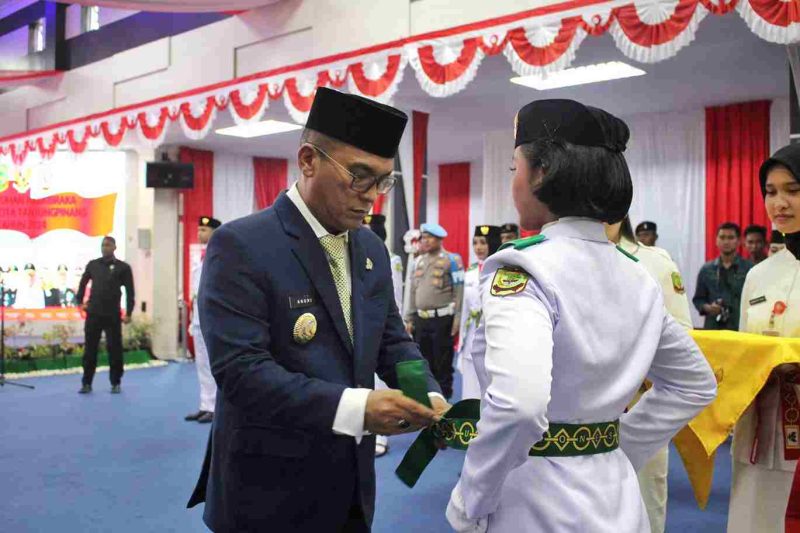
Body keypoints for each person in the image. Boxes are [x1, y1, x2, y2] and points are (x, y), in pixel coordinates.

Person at [445, 99, 716, 532]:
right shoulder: (637, 276)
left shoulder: (524, 269)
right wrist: (616, 446)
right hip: (617, 495)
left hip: (533, 501)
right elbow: (694, 384)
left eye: (514, 167)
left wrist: (471, 497)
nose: (512, 181)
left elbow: (518, 406)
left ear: (542, 172)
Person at [187, 87, 448, 533]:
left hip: (349, 484)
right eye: (359, 175)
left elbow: (390, 340)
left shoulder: (369, 247)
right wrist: (358, 408)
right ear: (308, 160)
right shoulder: (243, 245)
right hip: (268, 489)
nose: (372, 197)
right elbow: (241, 372)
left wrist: (427, 394)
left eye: (384, 181)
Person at [728, 144, 800, 532]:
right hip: (761, 428)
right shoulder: (760, 274)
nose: (780, 202)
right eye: (771, 192)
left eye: (793, 189)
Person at [606, 215, 693, 533]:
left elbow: (683, 339)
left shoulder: (654, 262)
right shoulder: (560, 259)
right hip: (574, 417)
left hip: (640, 408)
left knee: (645, 502)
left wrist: (633, 373)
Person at [404, 222, 464, 399]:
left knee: (442, 362)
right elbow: (413, 291)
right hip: (421, 320)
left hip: (442, 319)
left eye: (430, 237)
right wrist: (409, 317)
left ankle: (444, 399)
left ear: (439, 239)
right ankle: (427, 398)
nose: (426, 241)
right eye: (424, 237)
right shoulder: (418, 262)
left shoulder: (452, 260)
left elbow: (459, 291)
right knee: (423, 361)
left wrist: (457, 318)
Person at [363, 213, 402, 458]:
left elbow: (393, 292)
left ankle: (380, 434)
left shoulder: (388, 257)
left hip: (379, 326)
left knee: (379, 384)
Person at [75, 236, 134, 394]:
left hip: (113, 315)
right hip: (93, 314)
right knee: (90, 349)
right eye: (103, 245)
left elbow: (130, 291)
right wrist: (79, 301)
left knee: (114, 349)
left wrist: (129, 312)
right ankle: (86, 382)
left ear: (115, 247)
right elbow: (83, 282)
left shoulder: (123, 268)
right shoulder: (93, 265)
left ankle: (116, 382)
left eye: (108, 245)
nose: (105, 248)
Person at [458, 225, 502, 400]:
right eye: (475, 243)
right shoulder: (470, 272)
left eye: (483, 242)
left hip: (492, 332)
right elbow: (465, 311)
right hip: (471, 333)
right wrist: (460, 340)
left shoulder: (502, 269)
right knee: (470, 373)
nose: (478, 247)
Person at [185, 216, 222, 425]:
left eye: (204, 230)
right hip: (199, 319)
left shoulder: (221, 254)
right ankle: (205, 405)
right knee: (202, 365)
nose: (199, 233)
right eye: (198, 230)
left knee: (212, 364)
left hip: (213, 320)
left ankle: (216, 407)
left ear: (215, 232)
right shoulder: (199, 257)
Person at [692, 223, 753, 331]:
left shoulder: (749, 269)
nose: (726, 242)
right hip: (713, 329)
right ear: (716, 240)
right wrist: (708, 308)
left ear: (739, 241)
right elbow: (698, 299)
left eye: (730, 238)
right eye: (722, 237)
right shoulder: (707, 269)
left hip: (740, 329)